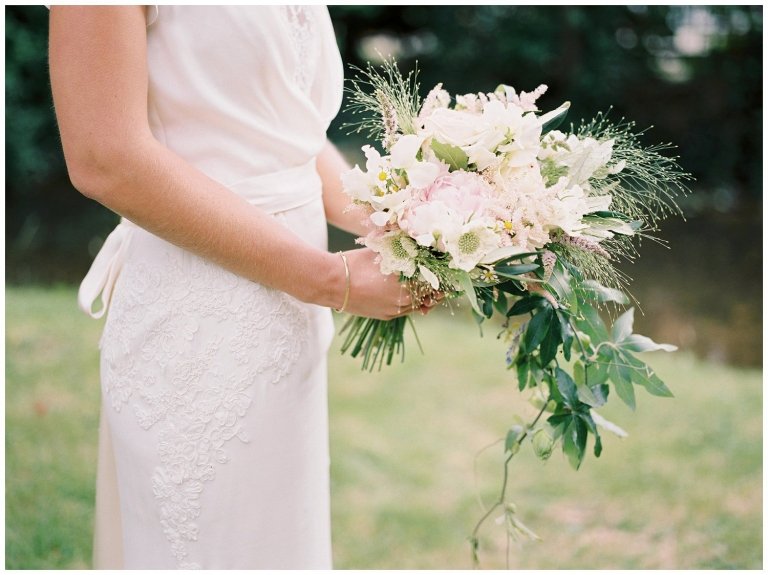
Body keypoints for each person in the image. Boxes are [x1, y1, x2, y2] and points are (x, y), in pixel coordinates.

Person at [49, 5, 433, 569]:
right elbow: (105, 158)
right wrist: (331, 279)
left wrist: (416, 218)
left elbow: (283, 137)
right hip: (194, 325)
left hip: (289, 322)